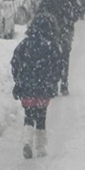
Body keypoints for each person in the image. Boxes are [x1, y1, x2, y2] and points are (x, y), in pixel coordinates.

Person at [11, 12, 64, 159]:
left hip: (27, 86)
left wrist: (18, 78)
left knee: (28, 115)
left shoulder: (25, 44)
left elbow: (15, 62)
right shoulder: (51, 46)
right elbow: (58, 66)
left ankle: (27, 141)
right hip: (43, 87)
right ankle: (40, 147)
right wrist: (53, 80)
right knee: (41, 115)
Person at [35, 0, 81, 95]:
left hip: (66, 29)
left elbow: (77, 11)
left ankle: (64, 83)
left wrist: (70, 20)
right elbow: (41, 11)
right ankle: (53, 84)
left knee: (65, 56)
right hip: (51, 31)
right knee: (52, 58)